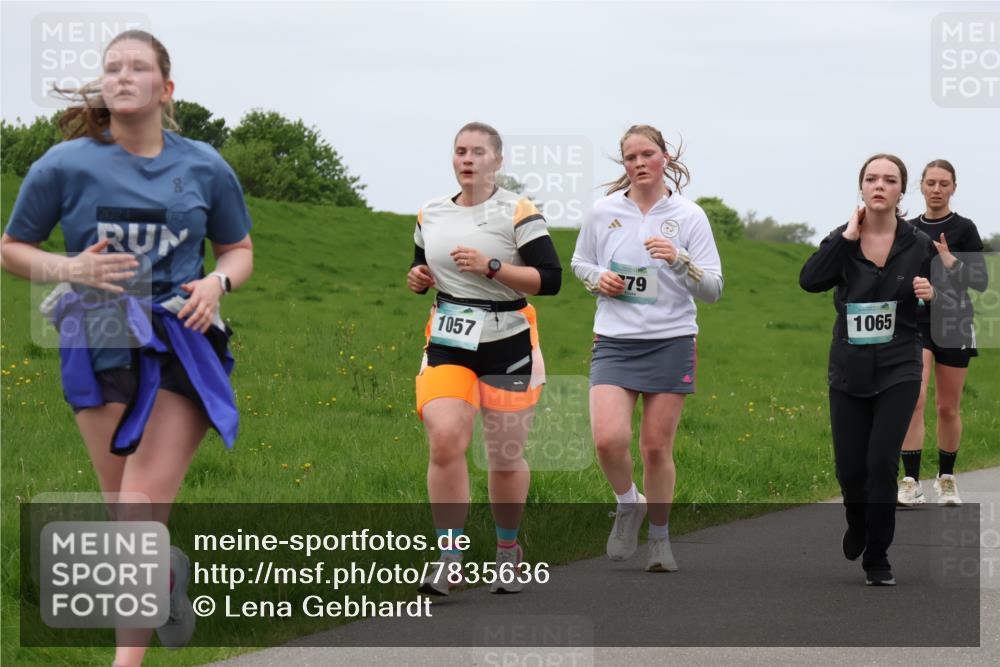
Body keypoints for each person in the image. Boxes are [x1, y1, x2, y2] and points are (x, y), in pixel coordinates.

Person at [1, 30, 253, 664]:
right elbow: (11, 248)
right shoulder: (62, 165)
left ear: (165, 89)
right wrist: (68, 270)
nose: (121, 76)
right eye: (111, 67)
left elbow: (239, 249)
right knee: (127, 517)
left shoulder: (204, 166)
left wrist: (218, 283)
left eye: (137, 67)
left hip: (181, 337)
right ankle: (164, 575)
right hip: (98, 335)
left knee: (138, 510)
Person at [406, 122, 561, 595]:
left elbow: (550, 280)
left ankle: (507, 551)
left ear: (497, 160)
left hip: (508, 339)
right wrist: (418, 278)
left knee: (504, 455)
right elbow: (421, 265)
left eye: (477, 151)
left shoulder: (517, 210)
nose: (467, 159)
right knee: (447, 440)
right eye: (459, 151)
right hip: (450, 338)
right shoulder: (430, 212)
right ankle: (450, 556)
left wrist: (493, 267)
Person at [571, 124, 723, 573]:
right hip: (615, 342)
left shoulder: (690, 217)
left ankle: (659, 538)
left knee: (656, 447)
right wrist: (599, 279)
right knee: (608, 440)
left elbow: (713, 289)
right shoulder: (602, 213)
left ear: (666, 159)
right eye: (630, 157)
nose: (639, 163)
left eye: (647, 154)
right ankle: (627, 503)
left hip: (671, 340)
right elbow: (580, 262)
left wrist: (679, 259)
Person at [800, 154, 940, 586]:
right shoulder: (842, 240)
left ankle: (878, 556)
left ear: (902, 192)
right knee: (850, 471)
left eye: (890, 179)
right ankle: (857, 522)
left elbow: (945, 306)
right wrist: (846, 237)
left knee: (882, 464)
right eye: (871, 178)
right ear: (860, 188)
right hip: (848, 369)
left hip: (899, 365)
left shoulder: (918, 244)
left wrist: (931, 293)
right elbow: (810, 280)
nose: (880, 185)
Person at [897, 159, 988, 507]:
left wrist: (951, 261)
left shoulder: (965, 228)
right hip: (916, 322)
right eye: (931, 183)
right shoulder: (906, 228)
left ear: (953, 188)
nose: (937, 189)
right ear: (920, 186)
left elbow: (981, 282)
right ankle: (909, 481)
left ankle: (946, 479)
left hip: (954, 322)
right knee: (914, 399)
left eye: (944, 183)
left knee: (947, 407)